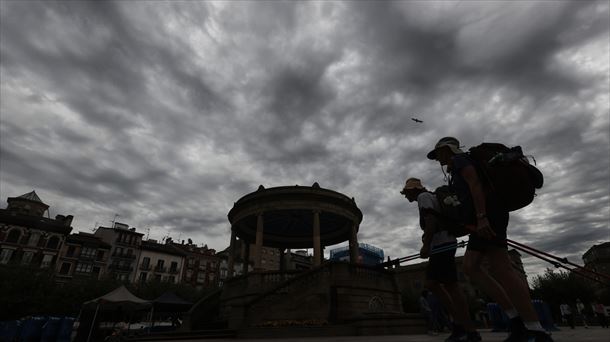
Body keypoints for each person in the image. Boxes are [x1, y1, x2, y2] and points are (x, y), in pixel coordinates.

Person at [427, 137, 553, 342]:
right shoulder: (457, 167)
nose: (436, 159)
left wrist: (482, 217)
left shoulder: (461, 161)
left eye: (437, 154)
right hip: (485, 218)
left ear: (446, 150)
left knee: (501, 268)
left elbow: (475, 183)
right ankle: (517, 322)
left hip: (489, 216)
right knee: (470, 267)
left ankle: (535, 330)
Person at [401, 177, 480, 342]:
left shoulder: (423, 197)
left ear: (413, 190)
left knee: (451, 286)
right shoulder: (431, 196)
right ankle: (461, 326)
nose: (406, 196)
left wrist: (426, 246)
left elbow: (430, 220)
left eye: (406, 193)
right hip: (444, 244)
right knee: (433, 284)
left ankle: (468, 330)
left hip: (441, 245)